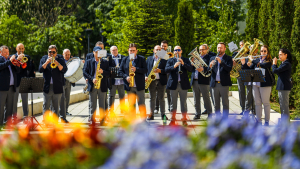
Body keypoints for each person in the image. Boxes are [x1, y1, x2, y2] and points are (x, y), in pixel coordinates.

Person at [241, 45, 272, 126]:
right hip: (255, 84)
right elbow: (248, 69)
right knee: (257, 103)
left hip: (265, 84)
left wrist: (252, 59)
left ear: (267, 52)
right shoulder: (257, 60)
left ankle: (267, 121)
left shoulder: (269, 61)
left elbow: (263, 65)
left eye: (265, 51)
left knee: (265, 103)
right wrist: (244, 63)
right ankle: (258, 120)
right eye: (261, 51)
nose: (263, 53)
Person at [39, 45, 68, 123]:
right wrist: (46, 62)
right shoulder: (44, 58)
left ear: (56, 53)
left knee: (56, 106)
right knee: (46, 105)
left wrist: (57, 63)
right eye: (50, 52)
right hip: (47, 86)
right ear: (48, 52)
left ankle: (55, 122)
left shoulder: (61, 59)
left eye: (53, 52)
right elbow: (40, 70)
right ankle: (45, 121)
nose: (51, 53)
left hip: (57, 86)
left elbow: (64, 70)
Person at [83, 46, 111, 125]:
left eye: (99, 52)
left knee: (102, 104)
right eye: (96, 52)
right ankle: (92, 119)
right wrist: (92, 79)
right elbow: (85, 72)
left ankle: (102, 120)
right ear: (93, 53)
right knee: (92, 104)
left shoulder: (105, 62)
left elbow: (109, 73)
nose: (98, 54)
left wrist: (103, 72)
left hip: (102, 85)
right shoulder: (88, 61)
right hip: (92, 84)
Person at [118, 43, 147, 119]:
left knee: (141, 104)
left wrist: (136, 69)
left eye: (134, 50)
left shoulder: (141, 59)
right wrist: (126, 77)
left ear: (136, 51)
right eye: (130, 50)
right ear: (128, 51)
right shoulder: (124, 59)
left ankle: (143, 121)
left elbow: (145, 70)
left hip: (139, 85)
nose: (132, 52)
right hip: (129, 86)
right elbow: (120, 71)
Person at [165, 46, 192, 126]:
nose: (177, 51)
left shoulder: (186, 59)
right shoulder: (170, 60)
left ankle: (184, 119)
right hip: (173, 84)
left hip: (183, 84)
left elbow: (191, 69)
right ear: (174, 52)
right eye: (175, 50)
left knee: (183, 102)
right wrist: (174, 66)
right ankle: (173, 119)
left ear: (181, 51)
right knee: (173, 103)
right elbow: (166, 70)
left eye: (178, 50)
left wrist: (183, 63)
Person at [209, 42, 233, 118]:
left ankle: (225, 120)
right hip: (214, 84)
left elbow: (229, 69)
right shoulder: (212, 58)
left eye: (221, 48)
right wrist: (209, 66)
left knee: (225, 103)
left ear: (225, 49)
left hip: (224, 84)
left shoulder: (228, 58)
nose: (219, 49)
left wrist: (221, 62)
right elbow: (208, 71)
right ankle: (217, 119)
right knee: (216, 103)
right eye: (218, 48)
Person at [10, 43, 32, 124]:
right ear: (16, 49)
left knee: (25, 100)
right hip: (15, 82)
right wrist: (18, 60)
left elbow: (30, 68)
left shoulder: (27, 57)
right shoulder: (13, 57)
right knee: (14, 100)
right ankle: (14, 118)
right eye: (19, 48)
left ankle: (26, 117)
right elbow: (13, 69)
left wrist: (24, 61)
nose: (21, 50)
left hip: (24, 82)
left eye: (22, 48)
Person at [146, 45, 168, 120]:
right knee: (152, 98)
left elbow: (168, 70)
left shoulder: (165, 59)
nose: (158, 51)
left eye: (159, 49)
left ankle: (163, 115)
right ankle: (151, 115)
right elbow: (146, 69)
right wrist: (146, 76)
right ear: (153, 50)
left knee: (161, 98)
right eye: (156, 49)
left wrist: (160, 71)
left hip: (161, 81)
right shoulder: (149, 59)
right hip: (151, 81)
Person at [0, 45, 21, 126]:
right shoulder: (1, 59)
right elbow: (1, 66)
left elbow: (18, 71)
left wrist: (16, 63)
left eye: (8, 52)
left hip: (11, 87)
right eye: (5, 52)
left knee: (10, 107)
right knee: (1, 107)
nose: (7, 53)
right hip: (2, 88)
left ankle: (7, 124)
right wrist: (10, 61)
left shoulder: (10, 60)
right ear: (0, 52)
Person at [190, 45, 212, 119]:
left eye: (203, 49)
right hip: (195, 80)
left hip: (204, 80)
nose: (201, 51)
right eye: (200, 49)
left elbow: (210, 68)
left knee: (206, 98)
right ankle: (197, 113)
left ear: (207, 50)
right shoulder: (195, 57)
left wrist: (203, 69)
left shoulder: (209, 57)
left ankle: (210, 114)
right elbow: (190, 69)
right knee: (196, 99)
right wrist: (191, 63)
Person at [272, 48, 292, 121]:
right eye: (279, 55)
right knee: (282, 106)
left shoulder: (287, 64)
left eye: (280, 55)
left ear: (285, 55)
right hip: (281, 87)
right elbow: (278, 72)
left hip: (284, 87)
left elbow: (275, 70)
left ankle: (286, 124)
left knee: (284, 106)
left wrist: (274, 64)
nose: (279, 56)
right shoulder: (283, 63)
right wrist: (275, 66)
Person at [154, 40, 171, 114]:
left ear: (167, 47)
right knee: (158, 93)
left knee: (169, 92)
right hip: (160, 76)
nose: (163, 47)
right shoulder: (157, 53)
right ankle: (156, 108)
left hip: (168, 76)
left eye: (165, 46)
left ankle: (170, 107)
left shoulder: (168, 55)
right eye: (162, 46)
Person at [58, 49, 76, 123]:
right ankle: (61, 113)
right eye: (66, 54)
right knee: (62, 98)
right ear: (63, 54)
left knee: (67, 98)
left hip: (69, 82)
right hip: (62, 82)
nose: (68, 56)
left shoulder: (72, 62)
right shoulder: (60, 61)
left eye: (69, 54)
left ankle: (65, 111)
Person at [108, 46, 125, 112]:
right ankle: (111, 109)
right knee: (111, 96)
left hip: (121, 80)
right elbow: (107, 66)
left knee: (122, 95)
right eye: (113, 50)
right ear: (110, 51)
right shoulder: (108, 58)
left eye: (115, 50)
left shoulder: (123, 57)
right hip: (113, 80)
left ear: (117, 50)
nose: (114, 51)